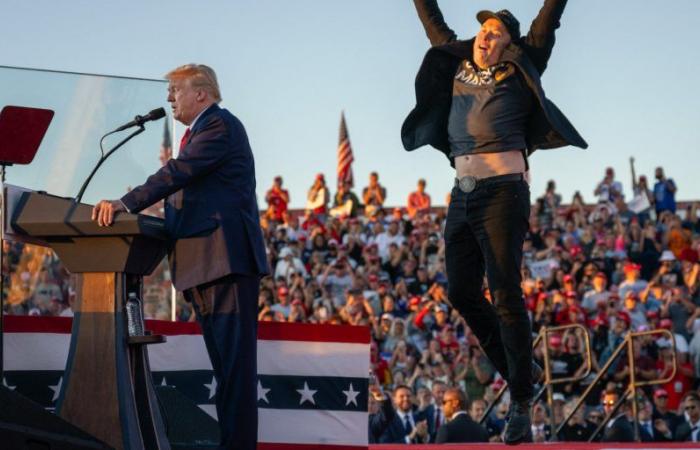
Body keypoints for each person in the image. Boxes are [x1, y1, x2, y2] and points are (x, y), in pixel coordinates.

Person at [403, 1, 587, 443]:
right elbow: (432, 19)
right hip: (461, 194)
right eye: (484, 30)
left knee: (505, 290)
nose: (487, 36)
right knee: (461, 291)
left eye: (497, 33)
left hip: (504, 191)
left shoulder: (523, 63)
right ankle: (522, 375)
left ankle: (521, 401)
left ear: (509, 44)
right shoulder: (455, 58)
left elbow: (548, 19)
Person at [92, 64, 268, 450]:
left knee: (235, 374)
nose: (169, 97)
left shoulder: (219, 127)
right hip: (205, 265)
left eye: (175, 90)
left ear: (201, 94)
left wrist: (126, 202)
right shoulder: (199, 133)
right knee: (226, 372)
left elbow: (177, 172)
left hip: (225, 263)